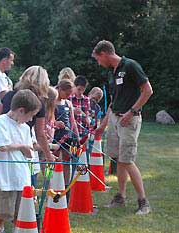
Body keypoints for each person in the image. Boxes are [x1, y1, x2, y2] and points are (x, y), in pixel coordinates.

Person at [92, 40, 153, 215]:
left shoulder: (130, 66)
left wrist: (132, 112)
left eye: (98, 59)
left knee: (127, 160)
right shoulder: (113, 72)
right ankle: (120, 197)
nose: (99, 63)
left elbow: (147, 90)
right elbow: (114, 100)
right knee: (118, 158)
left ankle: (143, 202)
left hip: (129, 120)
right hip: (115, 118)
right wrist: (103, 125)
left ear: (104, 53)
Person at [0, 90, 42, 232]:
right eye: (30, 116)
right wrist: (22, 147)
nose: (31, 120)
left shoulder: (25, 128)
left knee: (21, 218)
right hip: (4, 181)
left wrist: (34, 148)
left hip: (22, 180)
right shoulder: (1, 121)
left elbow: (29, 153)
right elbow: (3, 146)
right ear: (21, 110)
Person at [0, 66, 56, 162]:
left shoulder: (9, 95)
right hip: (23, 143)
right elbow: (40, 134)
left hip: (4, 141)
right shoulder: (38, 103)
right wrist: (48, 155)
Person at [53, 79, 79, 187]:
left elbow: (72, 121)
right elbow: (47, 120)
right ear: (59, 89)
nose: (68, 96)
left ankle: (66, 183)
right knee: (52, 160)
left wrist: (76, 135)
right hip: (54, 135)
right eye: (66, 93)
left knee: (67, 159)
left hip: (67, 135)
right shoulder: (52, 102)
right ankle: (51, 182)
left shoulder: (68, 103)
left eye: (70, 94)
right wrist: (55, 123)